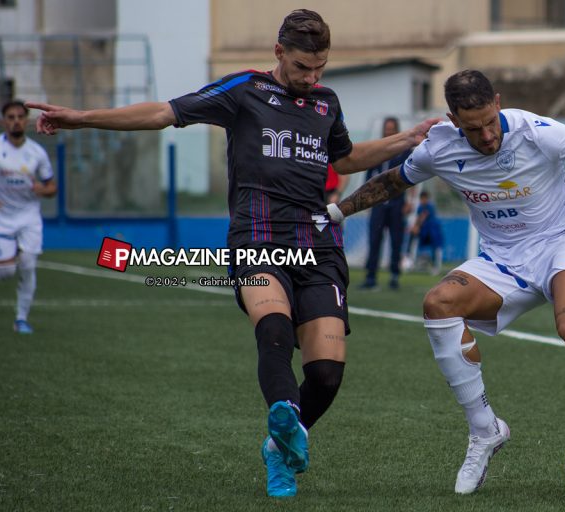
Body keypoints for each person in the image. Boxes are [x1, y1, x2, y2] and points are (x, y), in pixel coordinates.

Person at [28, 9, 438, 498]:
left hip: (318, 246)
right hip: (258, 241)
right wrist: (82, 118)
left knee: (326, 375)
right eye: (303, 67)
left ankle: (277, 445)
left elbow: (344, 157)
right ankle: (284, 427)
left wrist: (407, 139)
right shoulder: (244, 90)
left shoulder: (327, 103)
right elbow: (164, 113)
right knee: (275, 330)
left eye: (320, 68)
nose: (312, 78)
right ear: (279, 52)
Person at [328, 70, 565, 494]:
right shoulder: (438, 147)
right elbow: (392, 181)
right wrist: (338, 213)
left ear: (497, 101)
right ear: (453, 119)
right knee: (438, 303)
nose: (488, 136)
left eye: (491, 122)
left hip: (563, 243)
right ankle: (485, 431)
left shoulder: (538, 131)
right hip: (502, 261)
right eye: (473, 128)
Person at [0, 100, 57, 334]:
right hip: (1, 215)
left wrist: (42, 190)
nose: (16, 121)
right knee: (5, 273)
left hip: (29, 216)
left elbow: (51, 187)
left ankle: (21, 319)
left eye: (20, 117)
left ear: (27, 120)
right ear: (4, 121)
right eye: (11, 117)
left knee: (28, 265)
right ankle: (8, 255)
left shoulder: (37, 152)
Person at [361, 117, 413, 290]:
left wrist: (410, 201)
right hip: (378, 204)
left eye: (392, 129)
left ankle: (394, 275)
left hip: (397, 203)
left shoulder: (405, 152)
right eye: (387, 129)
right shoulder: (377, 151)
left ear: (396, 130)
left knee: (396, 240)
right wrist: (367, 200)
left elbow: (413, 177)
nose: (389, 131)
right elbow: (368, 177)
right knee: (374, 239)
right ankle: (370, 277)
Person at [406, 190, 444, 275]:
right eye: (421, 199)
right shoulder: (420, 207)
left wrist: (416, 227)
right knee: (412, 236)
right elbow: (418, 218)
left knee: (435, 246)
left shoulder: (430, 206)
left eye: (424, 199)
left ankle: (435, 266)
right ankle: (409, 260)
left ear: (427, 198)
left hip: (431, 230)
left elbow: (423, 217)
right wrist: (414, 227)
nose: (423, 201)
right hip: (424, 230)